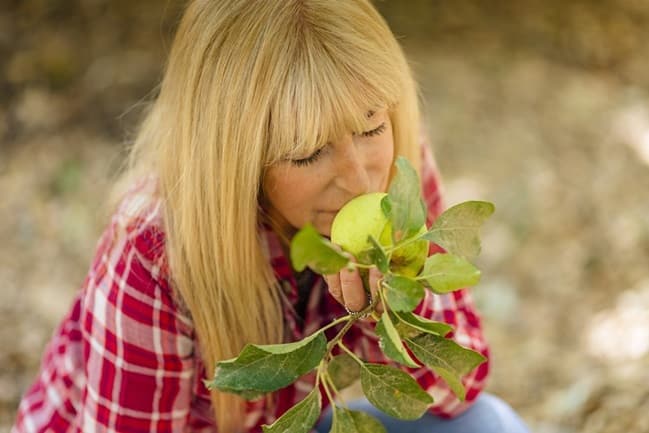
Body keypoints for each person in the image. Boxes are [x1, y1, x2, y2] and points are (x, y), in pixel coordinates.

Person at [12, 1, 530, 432]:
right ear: (238, 163)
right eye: (307, 155)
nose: (359, 179)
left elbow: (457, 388)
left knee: (488, 426)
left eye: (371, 126)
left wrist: (390, 313)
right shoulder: (153, 252)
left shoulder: (393, 173)